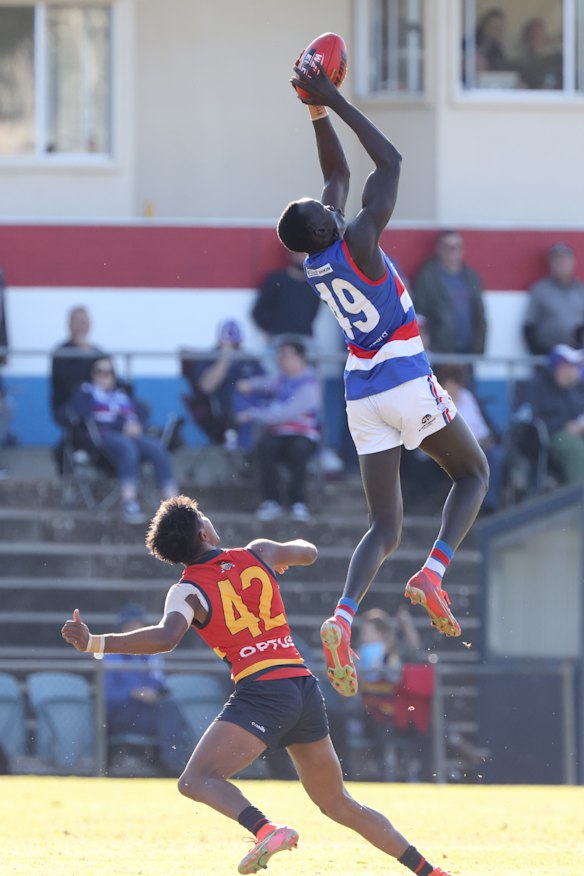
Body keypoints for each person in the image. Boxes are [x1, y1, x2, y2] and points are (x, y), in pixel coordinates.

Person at [61, 494, 453, 876]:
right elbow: (309, 552)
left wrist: (95, 642)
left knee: (196, 779)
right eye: (204, 517)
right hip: (302, 686)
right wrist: (282, 556)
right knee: (339, 803)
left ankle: (265, 830)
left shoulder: (186, 590)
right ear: (203, 533)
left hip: (263, 688)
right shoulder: (258, 552)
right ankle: (429, 871)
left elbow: (166, 637)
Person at [276, 60, 489, 697]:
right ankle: (434, 571)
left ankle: (342, 615)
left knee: (384, 527)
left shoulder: (317, 258)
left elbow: (337, 175)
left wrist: (315, 109)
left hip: (361, 393)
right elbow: (388, 162)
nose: (327, 200)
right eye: (322, 208)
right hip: (402, 377)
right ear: (327, 224)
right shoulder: (361, 239)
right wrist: (338, 98)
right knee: (473, 473)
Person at [72, 356, 178, 523]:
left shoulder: (120, 395)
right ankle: (129, 502)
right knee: (127, 447)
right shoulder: (85, 392)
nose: (104, 376)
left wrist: (137, 426)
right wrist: (121, 426)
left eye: (109, 372)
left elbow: (138, 413)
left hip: (130, 435)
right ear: (91, 373)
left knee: (156, 448)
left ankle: (175, 505)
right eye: (99, 371)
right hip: (102, 437)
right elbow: (85, 416)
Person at [236, 339, 322, 522]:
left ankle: (298, 502)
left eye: (286, 356)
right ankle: (271, 502)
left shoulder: (309, 385)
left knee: (298, 450)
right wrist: (248, 384)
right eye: (280, 356)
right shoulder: (281, 380)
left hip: (302, 436)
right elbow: (264, 384)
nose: (281, 360)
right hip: (278, 435)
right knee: (265, 446)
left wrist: (252, 414)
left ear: (301, 358)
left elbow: (283, 414)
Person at [104, 603, 192, 775]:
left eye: (139, 627)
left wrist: (154, 693)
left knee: (169, 706)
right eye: (130, 627)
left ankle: (174, 763)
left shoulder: (149, 656)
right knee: (170, 713)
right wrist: (133, 693)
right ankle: (175, 766)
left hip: (149, 713)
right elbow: (106, 694)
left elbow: (160, 686)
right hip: (122, 714)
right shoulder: (111, 655)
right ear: (122, 630)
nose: (135, 632)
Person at [181, 319, 264, 449]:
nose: (234, 346)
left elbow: (267, 384)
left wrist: (251, 384)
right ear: (219, 340)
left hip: (254, 405)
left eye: (236, 343)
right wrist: (225, 357)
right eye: (230, 342)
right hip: (224, 408)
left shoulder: (250, 359)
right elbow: (206, 387)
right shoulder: (208, 358)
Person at [436, 364, 506, 514]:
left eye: (457, 383)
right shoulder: (437, 403)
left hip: (480, 445)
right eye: (451, 382)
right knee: (473, 462)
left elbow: (482, 428)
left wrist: (486, 441)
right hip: (454, 450)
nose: (455, 387)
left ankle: (487, 504)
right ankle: (470, 506)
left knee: (496, 455)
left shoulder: (467, 396)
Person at [412, 230, 486, 363]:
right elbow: (419, 312)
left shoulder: (470, 277)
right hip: (440, 353)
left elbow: (479, 313)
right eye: (448, 247)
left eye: (456, 247)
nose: (452, 251)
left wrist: (479, 347)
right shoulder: (428, 277)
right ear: (439, 249)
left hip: (468, 353)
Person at [534, 344, 584, 484]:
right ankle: (579, 494)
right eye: (574, 366)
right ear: (562, 368)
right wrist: (564, 426)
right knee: (576, 449)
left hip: (576, 433)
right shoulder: (538, 387)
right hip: (552, 436)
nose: (579, 369)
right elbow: (533, 420)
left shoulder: (574, 389)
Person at [523, 243, 584, 355]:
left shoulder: (580, 290)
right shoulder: (540, 290)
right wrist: (538, 355)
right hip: (548, 354)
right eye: (557, 260)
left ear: (573, 262)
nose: (561, 263)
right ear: (550, 263)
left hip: (576, 356)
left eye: (565, 260)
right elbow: (529, 326)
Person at [252, 250, 321, 348]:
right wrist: (272, 330)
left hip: (305, 338)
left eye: (305, 254)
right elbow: (259, 311)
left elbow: (313, 311)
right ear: (290, 255)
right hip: (279, 338)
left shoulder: (314, 284)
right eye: (299, 253)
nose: (302, 257)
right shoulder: (276, 280)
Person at [51, 306, 105, 425]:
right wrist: (83, 355)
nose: (81, 326)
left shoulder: (99, 353)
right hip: (69, 404)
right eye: (77, 322)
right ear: (69, 325)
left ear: (90, 325)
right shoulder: (61, 353)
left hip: (99, 401)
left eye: (84, 322)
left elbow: (111, 379)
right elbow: (70, 385)